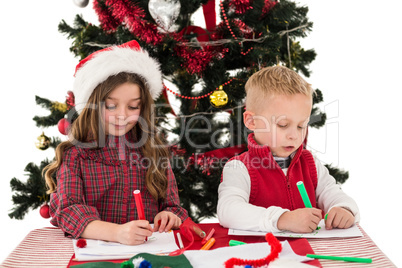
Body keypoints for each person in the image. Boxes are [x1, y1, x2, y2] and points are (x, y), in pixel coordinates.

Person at [44, 40, 188, 245]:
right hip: (96, 256)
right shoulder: (76, 155)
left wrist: (169, 216)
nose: (122, 115)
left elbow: (173, 207)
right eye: (111, 106)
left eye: (133, 107)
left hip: (148, 253)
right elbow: (68, 211)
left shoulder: (154, 151)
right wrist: (117, 233)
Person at [217, 66, 359, 233]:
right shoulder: (239, 168)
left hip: (307, 255)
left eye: (301, 126)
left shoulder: (310, 163)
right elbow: (228, 210)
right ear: (252, 121)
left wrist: (344, 208)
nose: (294, 135)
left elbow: (333, 192)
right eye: (283, 125)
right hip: (262, 255)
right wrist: (281, 219)